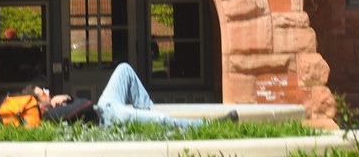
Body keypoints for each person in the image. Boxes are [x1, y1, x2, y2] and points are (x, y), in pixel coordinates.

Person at [28, 62, 237, 127]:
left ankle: (144, 111)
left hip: (106, 107)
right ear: (39, 103)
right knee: (162, 120)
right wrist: (66, 100)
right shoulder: (51, 115)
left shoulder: (51, 112)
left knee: (124, 69)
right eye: (43, 93)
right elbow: (86, 106)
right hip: (109, 117)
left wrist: (66, 100)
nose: (48, 93)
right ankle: (213, 125)